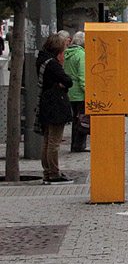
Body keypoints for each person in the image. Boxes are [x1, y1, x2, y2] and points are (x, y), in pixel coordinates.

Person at [36, 33, 74, 184]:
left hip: (45, 103)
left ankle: (47, 172)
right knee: (54, 141)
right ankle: (54, 173)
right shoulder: (52, 63)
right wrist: (61, 83)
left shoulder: (41, 59)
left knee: (47, 140)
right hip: (55, 104)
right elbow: (68, 81)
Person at [63, 31, 88, 152]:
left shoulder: (67, 53)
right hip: (79, 92)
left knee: (75, 119)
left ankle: (74, 144)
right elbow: (82, 75)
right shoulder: (81, 55)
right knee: (82, 119)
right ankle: (79, 145)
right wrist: (87, 91)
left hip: (69, 91)